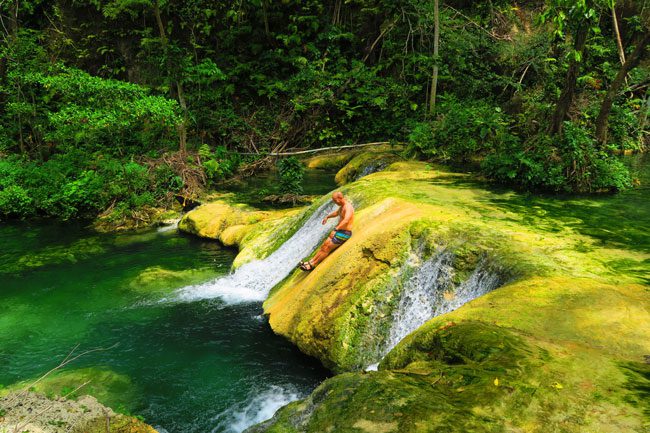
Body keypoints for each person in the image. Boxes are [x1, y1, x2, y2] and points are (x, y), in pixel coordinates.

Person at [299, 191, 354, 271]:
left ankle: (312, 265)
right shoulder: (342, 206)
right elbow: (337, 213)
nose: (334, 202)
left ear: (338, 199)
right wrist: (328, 217)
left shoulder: (348, 207)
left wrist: (336, 229)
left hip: (344, 233)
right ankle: (310, 261)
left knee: (327, 248)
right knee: (324, 246)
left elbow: (346, 220)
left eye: (334, 200)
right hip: (339, 231)